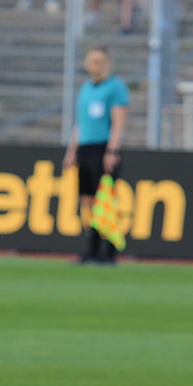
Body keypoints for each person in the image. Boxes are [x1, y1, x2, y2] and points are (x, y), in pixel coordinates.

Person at [63, 46, 128, 264]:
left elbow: (118, 122)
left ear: (107, 63)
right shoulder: (86, 89)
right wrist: (72, 151)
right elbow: (79, 124)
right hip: (86, 149)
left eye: (99, 61)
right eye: (91, 61)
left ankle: (108, 251)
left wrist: (112, 150)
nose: (95, 65)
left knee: (105, 200)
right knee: (87, 200)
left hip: (103, 148)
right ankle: (91, 250)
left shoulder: (115, 88)